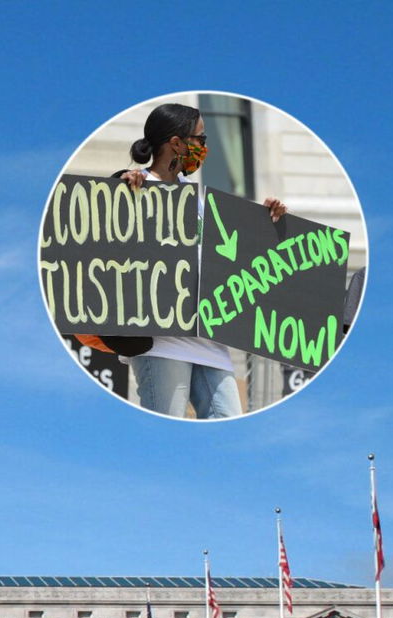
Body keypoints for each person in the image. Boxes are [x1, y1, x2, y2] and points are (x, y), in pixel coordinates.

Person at [118, 103, 286, 420]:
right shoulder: (131, 185)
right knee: (167, 423)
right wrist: (120, 191)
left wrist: (269, 223)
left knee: (228, 419)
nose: (205, 147)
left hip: (209, 338)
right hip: (161, 339)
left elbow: (227, 252)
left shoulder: (198, 198)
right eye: (201, 138)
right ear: (176, 143)